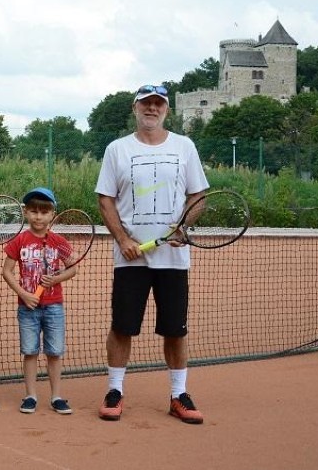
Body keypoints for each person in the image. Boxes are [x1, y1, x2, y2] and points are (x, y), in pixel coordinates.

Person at [95, 85, 209, 424]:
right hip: (130, 259)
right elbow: (105, 199)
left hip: (173, 260)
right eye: (146, 103)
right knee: (122, 327)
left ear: (166, 111)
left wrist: (182, 227)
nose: (152, 108)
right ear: (135, 108)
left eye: (159, 104)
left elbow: (199, 195)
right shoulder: (117, 149)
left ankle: (178, 395)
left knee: (176, 330)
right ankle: (115, 390)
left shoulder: (184, 146)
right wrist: (123, 238)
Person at [2, 187, 76, 415]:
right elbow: (7, 271)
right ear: (26, 213)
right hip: (27, 308)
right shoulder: (20, 240)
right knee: (30, 351)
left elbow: (72, 269)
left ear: (52, 214)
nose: (38, 216)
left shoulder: (58, 241)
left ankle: (56, 396)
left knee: (54, 352)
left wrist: (56, 278)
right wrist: (23, 295)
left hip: (54, 306)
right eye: (33, 211)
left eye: (44, 212)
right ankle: (31, 395)